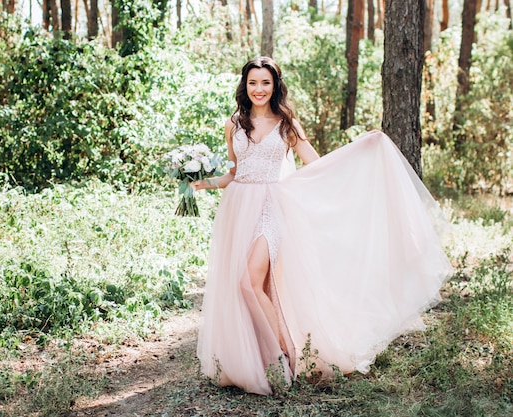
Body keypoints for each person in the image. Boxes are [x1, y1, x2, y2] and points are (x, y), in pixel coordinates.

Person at [192, 56, 453, 395]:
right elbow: (234, 172)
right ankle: (257, 357)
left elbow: (316, 164)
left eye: (265, 83)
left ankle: (287, 353)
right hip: (238, 209)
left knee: (248, 282)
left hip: (273, 206)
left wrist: (361, 146)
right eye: (253, 82)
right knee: (259, 286)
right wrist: (199, 184)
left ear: (275, 86)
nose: (259, 89)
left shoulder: (287, 123)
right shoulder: (234, 124)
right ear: (245, 85)